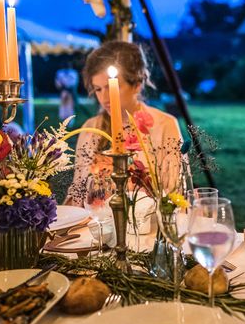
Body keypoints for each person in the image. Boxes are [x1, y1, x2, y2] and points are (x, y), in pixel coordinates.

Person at [66, 41, 183, 206]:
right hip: (97, 224)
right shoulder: (91, 128)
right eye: (98, 89)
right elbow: (78, 192)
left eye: (113, 87)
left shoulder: (164, 125)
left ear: (137, 84)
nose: (105, 98)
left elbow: (175, 193)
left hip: (147, 225)